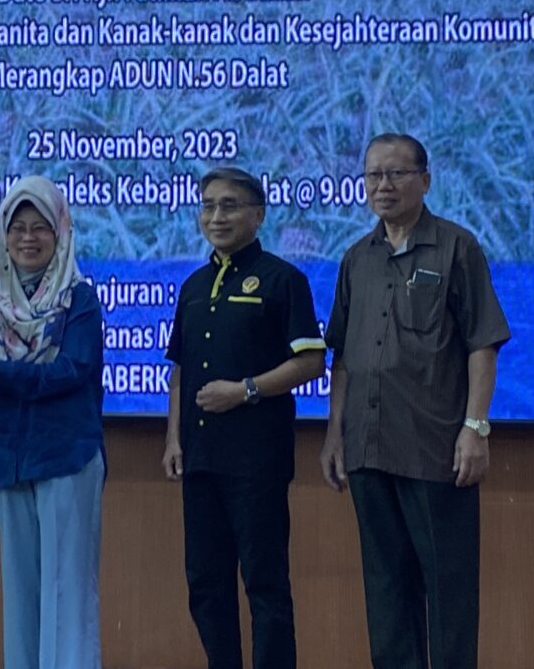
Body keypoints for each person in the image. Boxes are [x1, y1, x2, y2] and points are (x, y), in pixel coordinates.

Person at [320, 134, 510, 669]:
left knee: (448, 588)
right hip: (367, 445)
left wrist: (476, 427)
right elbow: (343, 357)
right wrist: (335, 434)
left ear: (424, 180)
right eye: (373, 175)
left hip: (434, 447)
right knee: (385, 587)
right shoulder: (356, 258)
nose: (383, 185)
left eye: (396, 174)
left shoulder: (456, 247)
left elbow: (482, 343)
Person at [163, 166, 326, 669]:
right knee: (205, 583)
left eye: (229, 205)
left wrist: (245, 391)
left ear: (258, 215)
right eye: (208, 205)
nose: (216, 216)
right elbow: (180, 369)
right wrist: (173, 439)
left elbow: (311, 361)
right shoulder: (193, 286)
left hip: (257, 459)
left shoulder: (283, 279)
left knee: (265, 584)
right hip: (201, 457)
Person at [0, 175, 105, 669]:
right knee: (20, 594)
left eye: (40, 227)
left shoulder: (79, 299)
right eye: (17, 227)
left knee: (66, 593)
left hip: (66, 455)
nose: (27, 238)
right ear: (3, 234)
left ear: (60, 232)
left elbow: (72, 370)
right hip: (8, 457)